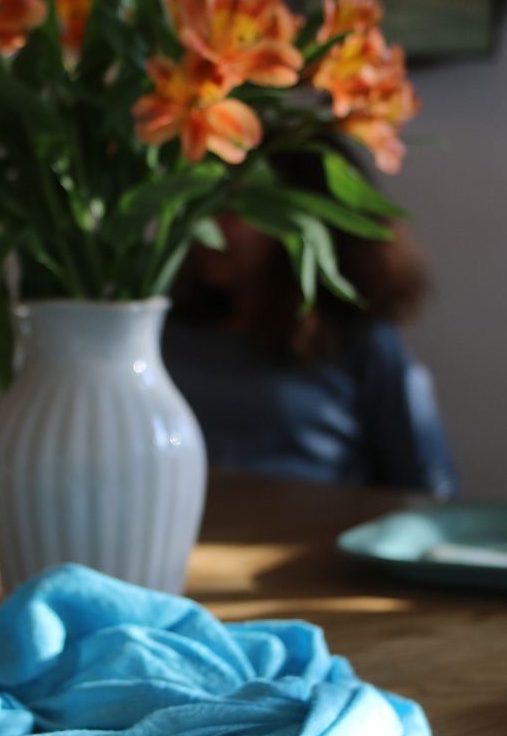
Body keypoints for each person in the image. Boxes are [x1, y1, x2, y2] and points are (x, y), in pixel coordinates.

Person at [162, 146, 459, 499]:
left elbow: (427, 485)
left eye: (235, 209)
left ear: (309, 223)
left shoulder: (360, 342)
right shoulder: (157, 330)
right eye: (203, 203)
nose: (207, 225)